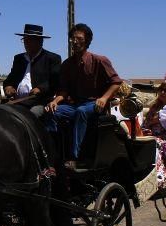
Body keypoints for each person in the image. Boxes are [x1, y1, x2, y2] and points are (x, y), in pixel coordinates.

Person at [45, 23, 122, 162]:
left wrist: (104, 98)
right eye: (72, 38)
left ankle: (74, 157)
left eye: (79, 38)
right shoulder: (67, 64)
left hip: (95, 104)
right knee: (52, 111)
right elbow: (64, 91)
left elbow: (116, 82)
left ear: (87, 41)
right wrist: (55, 101)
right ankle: (53, 153)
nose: (74, 41)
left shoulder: (100, 60)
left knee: (81, 111)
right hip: (75, 105)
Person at [2, 24, 62, 119]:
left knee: (32, 115)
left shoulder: (52, 58)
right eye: (24, 40)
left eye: (29, 40)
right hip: (17, 101)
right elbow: (11, 78)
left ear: (40, 42)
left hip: (40, 101)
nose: (26, 43)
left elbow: (54, 82)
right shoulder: (19, 59)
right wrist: (8, 86)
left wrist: (40, 89)